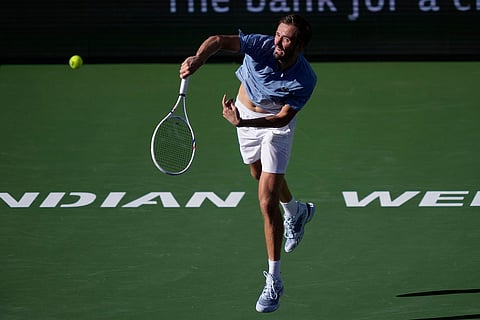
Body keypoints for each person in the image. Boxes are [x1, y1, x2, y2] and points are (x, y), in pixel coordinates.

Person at [179, 14, 317, 313]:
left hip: (274, 128)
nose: (279, 42)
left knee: (266, 201)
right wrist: (199, 58)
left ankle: (274, 280)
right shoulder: (261, 45)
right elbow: (218, 41)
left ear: (301, 45)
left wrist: (243, 123)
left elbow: (282, 118)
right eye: (278, 34)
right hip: (243, 114)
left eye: (288, 38)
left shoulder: (305, 78)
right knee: (257, 174)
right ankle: (297, 211)